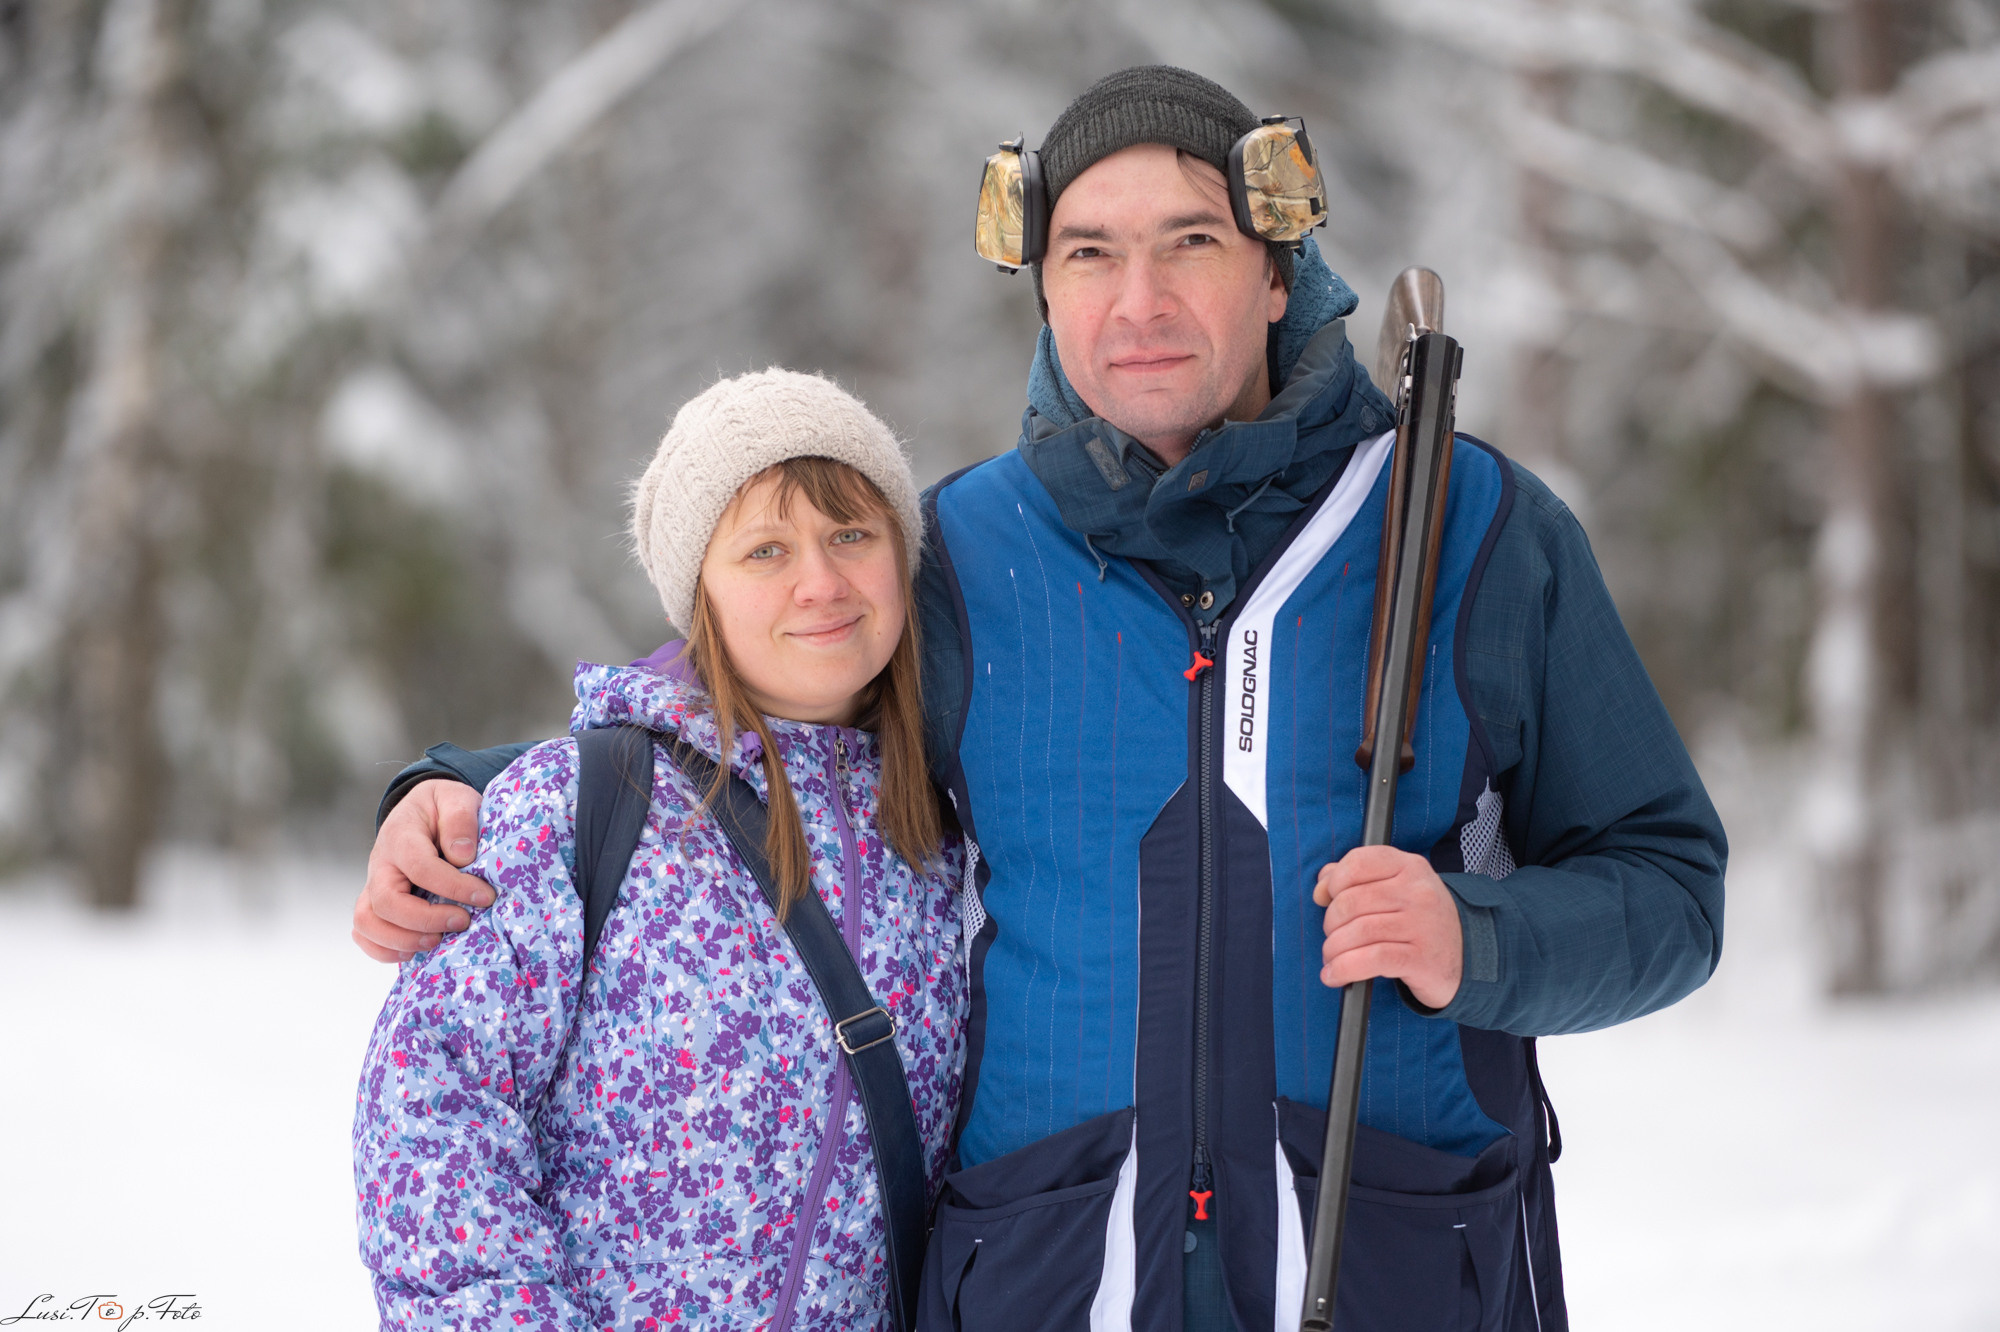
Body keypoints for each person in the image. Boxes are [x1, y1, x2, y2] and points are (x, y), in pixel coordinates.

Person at [354, 68, 1726, 1332]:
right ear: (1045, 293)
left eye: (1191, 241)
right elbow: (754, 713)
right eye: (1089, 254)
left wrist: (1473, 937)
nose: (1140, 301)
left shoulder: (1470, 528)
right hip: (1049, 1279)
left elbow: (1671, 893)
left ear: (1276, 274)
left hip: (1397, 1265)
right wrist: (472, 786)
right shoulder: (962, 557)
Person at [351, 369, 968, 1330]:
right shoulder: (583, 807)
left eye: (852, 532)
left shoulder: (948, 838)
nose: (822, 581)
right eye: (766, 550)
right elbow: (435, 1109)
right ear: (700, 598)